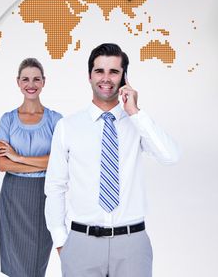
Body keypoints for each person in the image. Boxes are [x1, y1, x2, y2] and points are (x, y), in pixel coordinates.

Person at [44, 43, 179, 277]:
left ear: (124, 77)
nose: (106, 79)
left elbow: (170, 156)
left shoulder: (137, 123)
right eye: (99, 71)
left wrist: (136, 113)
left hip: (132, 244)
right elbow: (55, 186)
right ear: (89, 76)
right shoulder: (67, 126)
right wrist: (61, 242)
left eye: (114, 72)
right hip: (81, 243)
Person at [0, 58, 62, 277]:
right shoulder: (7, 120)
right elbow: (2, 164)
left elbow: (60, 162)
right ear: (18, 82)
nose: (30, 84)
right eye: (25, 79)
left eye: (36, 79)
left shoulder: (56, 120)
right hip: (13, 196)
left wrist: (19, 158)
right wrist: (43, 162)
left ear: (44, 82)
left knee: (34, 266)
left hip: (44, 194)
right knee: (16, 267)